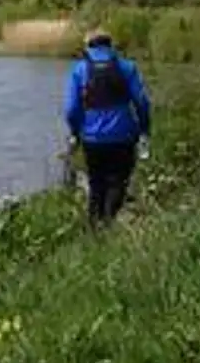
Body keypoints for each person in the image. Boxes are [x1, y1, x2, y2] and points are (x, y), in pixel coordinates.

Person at [63, 28, 151, 226]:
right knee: (119, 182)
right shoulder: (127, 67)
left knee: (96, 184)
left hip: (91, 138)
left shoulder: (79, 70)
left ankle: (96, 227)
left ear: (88, 46)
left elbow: (71, 108)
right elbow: (142, 102)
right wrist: (144, 130)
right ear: (111, 45)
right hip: (124, 136)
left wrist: (75, 132)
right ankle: (109, 222)